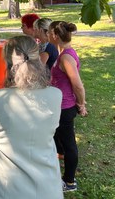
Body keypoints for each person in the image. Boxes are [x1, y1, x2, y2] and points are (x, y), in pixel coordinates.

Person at [0, 35, 63, 199]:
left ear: (7, 64)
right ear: (38, 60)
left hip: (2, 187)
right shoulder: (56, 95)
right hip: (45, 186)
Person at [48, 21, 87, 192]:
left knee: (70, 144)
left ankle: (69, 182)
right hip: (60, 105)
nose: (47, 35)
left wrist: (82, 104)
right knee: (63, 141)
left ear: (55, 36)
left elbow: (77, 85)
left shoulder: (66, 57)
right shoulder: (63, 53)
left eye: (49, 33)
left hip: (65, 108)